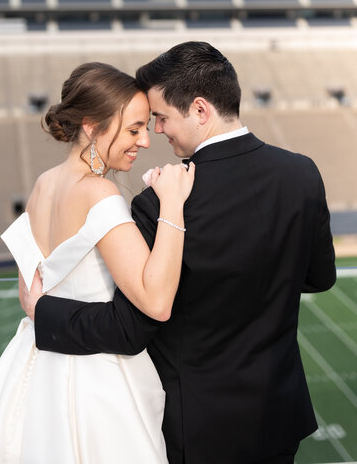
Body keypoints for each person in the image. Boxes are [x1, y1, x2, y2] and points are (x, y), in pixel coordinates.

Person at [24, 42, 336, 464]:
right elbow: (319, 277)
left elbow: (131, 328)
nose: (156, 133)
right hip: (279, 413)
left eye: (161, 118)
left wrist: (43, 312)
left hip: (197, 425)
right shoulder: (302, 172)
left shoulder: (159, 202)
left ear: (201, 110)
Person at [0, 61, 195, 464]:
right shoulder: (99, 194)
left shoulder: (42, 184)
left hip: (39, 366)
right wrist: (172, 204)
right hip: (100, 380)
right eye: (133, 129)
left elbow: (29, 294)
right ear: (92, 125)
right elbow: (157, 301)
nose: (144, 140)